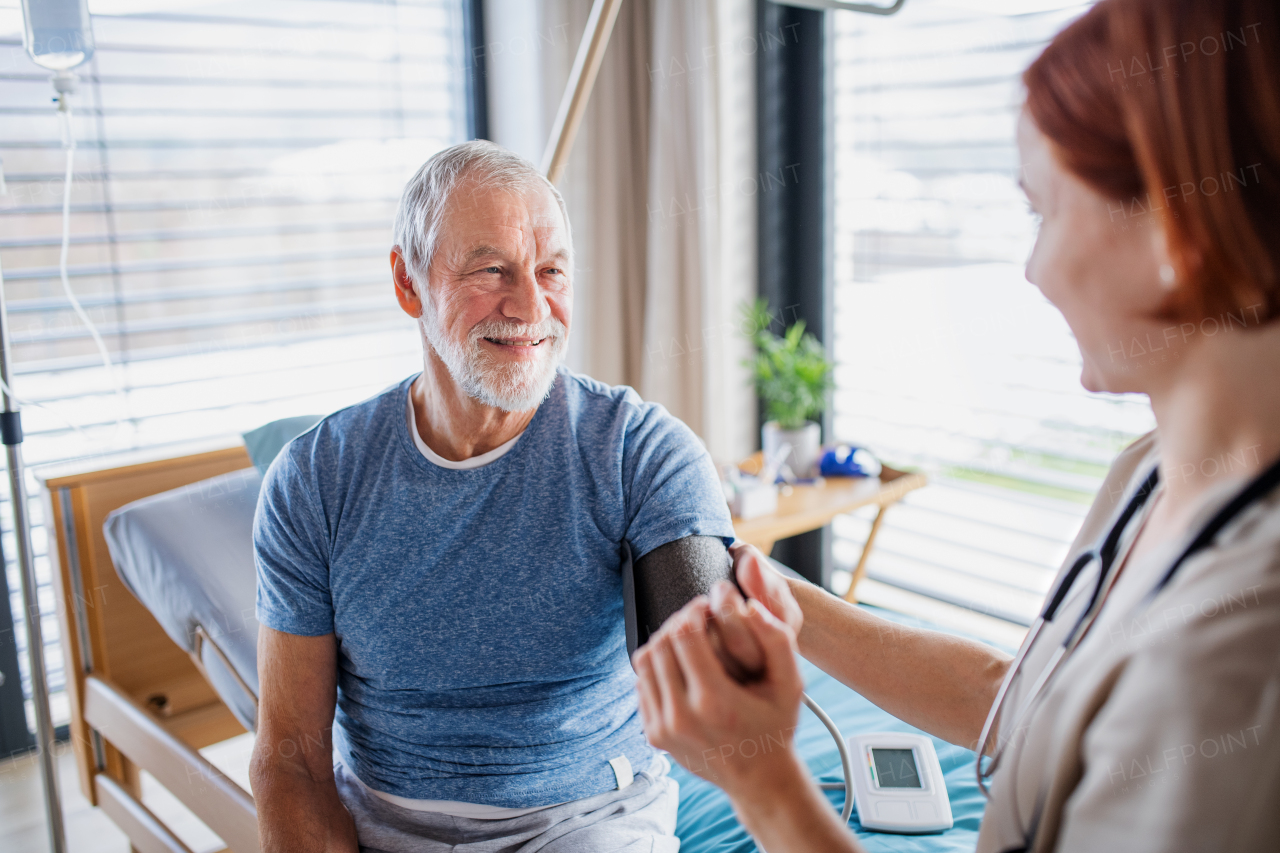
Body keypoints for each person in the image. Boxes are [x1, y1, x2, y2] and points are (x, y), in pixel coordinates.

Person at [632, 0, 1280, 850]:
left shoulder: (1237, 658)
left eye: (1045, 213)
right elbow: (1018, 699)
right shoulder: (1150, 472)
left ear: (1175, 227)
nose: (1033, 270)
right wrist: (781, 597)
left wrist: (763, 783)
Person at [249, 140, 738, 852]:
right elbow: (290, 753)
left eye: (551, 271)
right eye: (492, 270)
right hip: (385, 825)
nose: (532, 306)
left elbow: (718, 694)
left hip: (589, 822)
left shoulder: (640, 451)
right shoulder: (314, 481)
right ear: (407, 281)